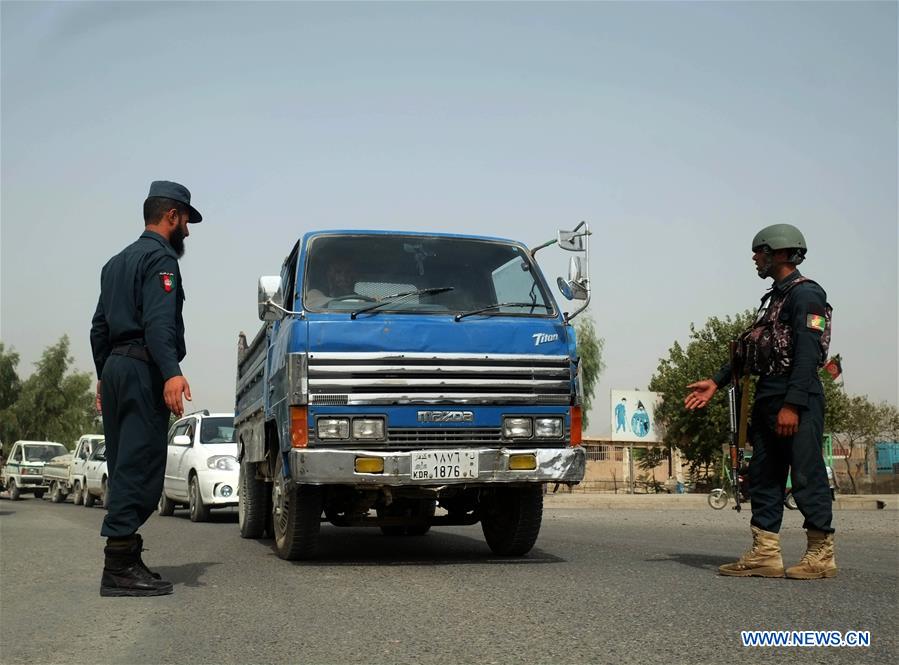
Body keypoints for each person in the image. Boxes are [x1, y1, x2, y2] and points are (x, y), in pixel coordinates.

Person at [684, 223, 835, 580]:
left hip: (795, 396)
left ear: (780, 254)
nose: (755, 258)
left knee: (806, 475)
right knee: (764, 476)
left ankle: (821, 554)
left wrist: (792, 405)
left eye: (760, 251)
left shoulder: (806, 295)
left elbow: (806, 355)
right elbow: (751, 350)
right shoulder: (774, 300)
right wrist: (716, 383)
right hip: (768, 396)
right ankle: (765, 554)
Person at [89, 180, 202, 597]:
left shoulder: (115, 263)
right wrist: (171, 372)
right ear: (172, 216)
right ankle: (117, 566)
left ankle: (128, 556)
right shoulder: (161, 260)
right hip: (142, 369)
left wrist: (104, 375)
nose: (188, 231)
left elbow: (99, 327)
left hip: (117, 368)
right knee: (142, 467)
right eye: (186, 220)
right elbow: (159, 323)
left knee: (123, 464)